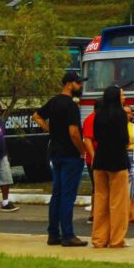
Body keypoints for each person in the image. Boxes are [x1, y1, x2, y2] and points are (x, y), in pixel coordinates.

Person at [33, 71, 88, 247]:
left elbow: (36, 116)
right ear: (69, 84)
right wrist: (82, 151)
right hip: (71, 155)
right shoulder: (71, 106)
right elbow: (74, 132)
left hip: (55, 153)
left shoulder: (54, 102)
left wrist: (50, 130)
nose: (81, 86)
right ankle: (68, 235)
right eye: (78, 83)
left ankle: (53, 234)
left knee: (56, 194)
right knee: (67, 196)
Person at [91, 86, 130, 248]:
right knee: (118, 203)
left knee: (101, 201)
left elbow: (97, 136)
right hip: (118, 161)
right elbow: (124, 138)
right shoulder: (121, 114)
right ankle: (116, 240)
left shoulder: (98, 115)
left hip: (100, 160)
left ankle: (99, 239)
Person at [82, 100, 101, 224]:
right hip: (94, 159)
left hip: (99, 158)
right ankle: (93, 213)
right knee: (97, 187)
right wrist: (94, 157)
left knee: (99, 187)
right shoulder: (91, 119)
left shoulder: (98, 119)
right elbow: (87, 140)